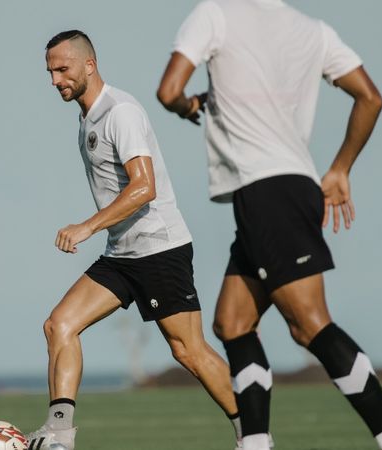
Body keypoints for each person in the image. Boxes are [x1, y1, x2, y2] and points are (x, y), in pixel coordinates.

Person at [156, 2, 382, 450]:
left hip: (266, 194)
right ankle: (257, 443)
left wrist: (189, 105)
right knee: (233, 322)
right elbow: (370, 96)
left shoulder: (214, 14)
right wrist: (340, 168)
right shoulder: (314, 30)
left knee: (309, 324)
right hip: (288, 187)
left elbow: (169, 91)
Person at [29, 30, 243, 450]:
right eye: (50, 72)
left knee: (189, 351)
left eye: (62, 69)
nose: (55, 79)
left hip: (159, 249)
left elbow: (144, 187)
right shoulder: (87, 117)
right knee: (60, 325)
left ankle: (252, 434)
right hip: (122, 254)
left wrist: (87, 226)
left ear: (89, 64)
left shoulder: (120, 112)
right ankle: (59, 434)